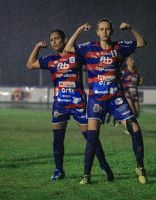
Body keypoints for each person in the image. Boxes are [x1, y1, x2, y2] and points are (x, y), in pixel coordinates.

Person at [65, 18, 147, 185]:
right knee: (92, 138)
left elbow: (141, 42)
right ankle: (86, 175)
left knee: (136, 130)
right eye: (101, 29)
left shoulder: (119, 47)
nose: (104, 32)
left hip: (117, 100)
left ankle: (140, 168)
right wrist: (80, 28)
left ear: (111, 31)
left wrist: (131, 27)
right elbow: (67, 48)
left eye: (107, 29)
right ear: (97, 32)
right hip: (96, 101)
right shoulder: (88, 48)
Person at [26, 29, 114, 181]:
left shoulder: (77, 55)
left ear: (65, 39)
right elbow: (30, 65)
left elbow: (97, 60)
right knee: (58, 140)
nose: (54, 41)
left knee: (91, 138)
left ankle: (104, 165)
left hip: (79, 104)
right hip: (60, 105)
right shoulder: (50, 59)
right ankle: (59, 169)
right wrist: (37, 47)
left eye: (57, 39)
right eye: (51, 39)